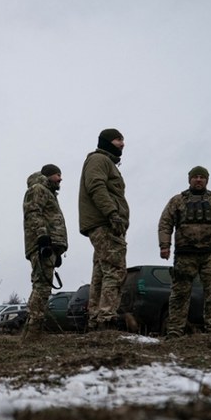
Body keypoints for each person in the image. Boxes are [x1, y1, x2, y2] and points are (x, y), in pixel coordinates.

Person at [158, 166, 211, 339]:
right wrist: (164, 246)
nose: (199, 180)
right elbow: (165, 223)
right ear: (189, 180)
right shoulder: (177, 201)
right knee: (179, 294)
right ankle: (174, 332)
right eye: (195, 177)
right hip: (185, 256)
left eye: (202, 177)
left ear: (207, 180)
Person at [78, 128, 129, 331]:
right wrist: (112, 214)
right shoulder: (100, 160)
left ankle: (95, 319)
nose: (122, 144)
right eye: (118, 140)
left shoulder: (104, 161)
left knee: (101, 271)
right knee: (115, 269)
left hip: (102, 223)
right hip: (106, 223)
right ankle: (107, 318)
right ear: (107, 142)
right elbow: (96, 186)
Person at [22, 164, 68, 338]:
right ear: (48, 175)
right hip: (43, 244)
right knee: (41, 287)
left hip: (50, 245)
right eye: (57, 174)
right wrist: (43, 239)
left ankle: (32, 332)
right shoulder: (38, 189)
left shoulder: (48, 193)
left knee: (43, 285)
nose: (60, 178)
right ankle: (33, 332)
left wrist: (57, 249)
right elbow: (33, 212)